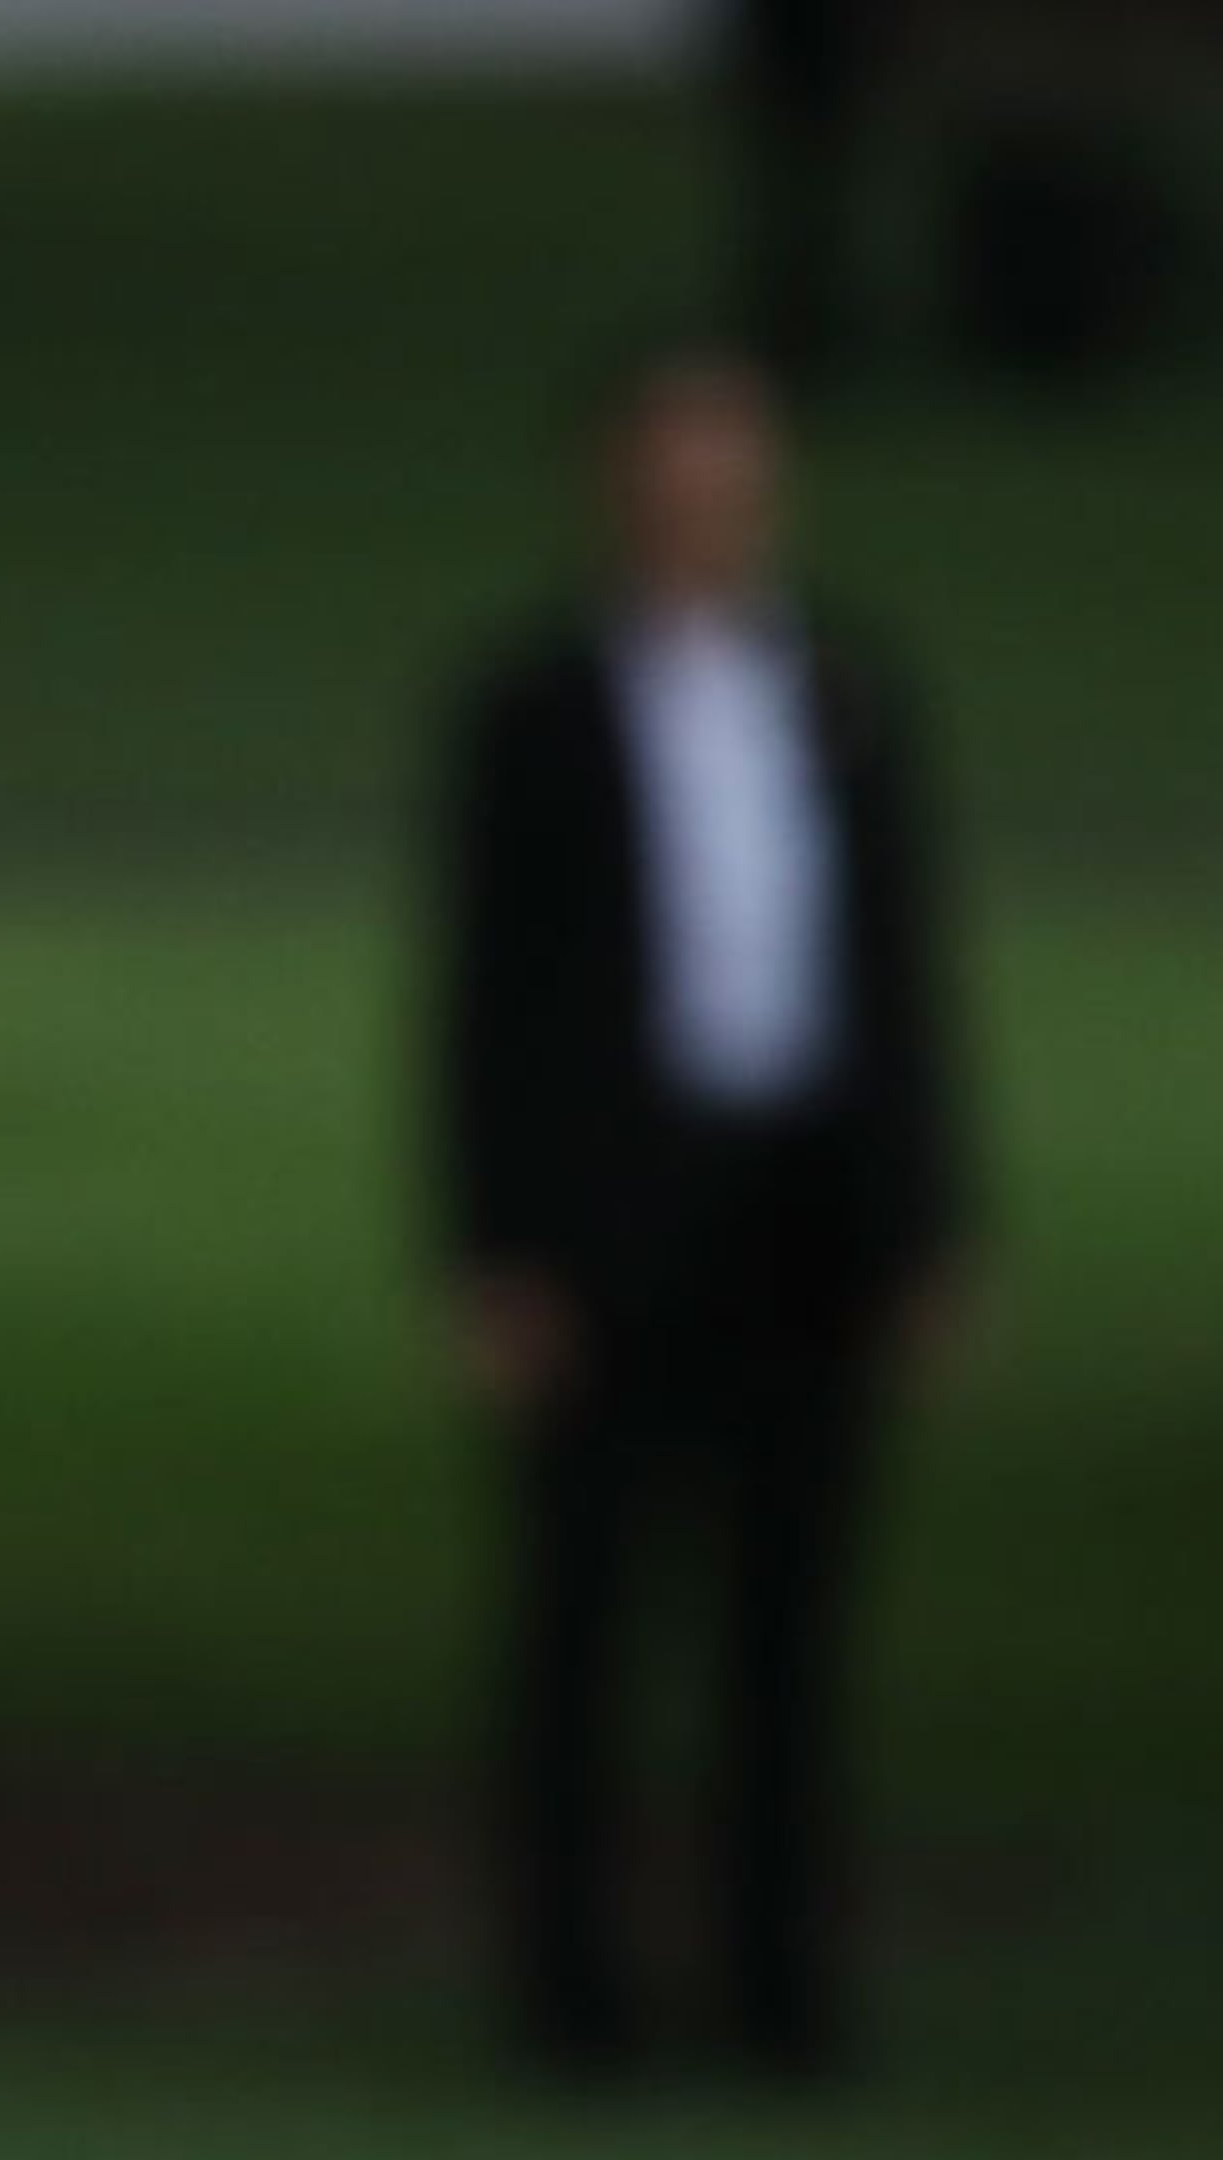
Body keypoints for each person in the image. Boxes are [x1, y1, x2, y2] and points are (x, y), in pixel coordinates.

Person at [429, 341, 970, 2081]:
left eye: (733, 465)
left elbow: (900, 974)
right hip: (608, 1220)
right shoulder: (532, 711)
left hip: (800, 1206)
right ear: (617, 484)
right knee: (585, 1627)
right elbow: (482, 1005)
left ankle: (779, 1989)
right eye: (674, 464)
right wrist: (491, 1250)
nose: (705, 498)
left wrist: (926, 1225)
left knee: (791, 1632)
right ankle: (574, 1998)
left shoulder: (845, 691)